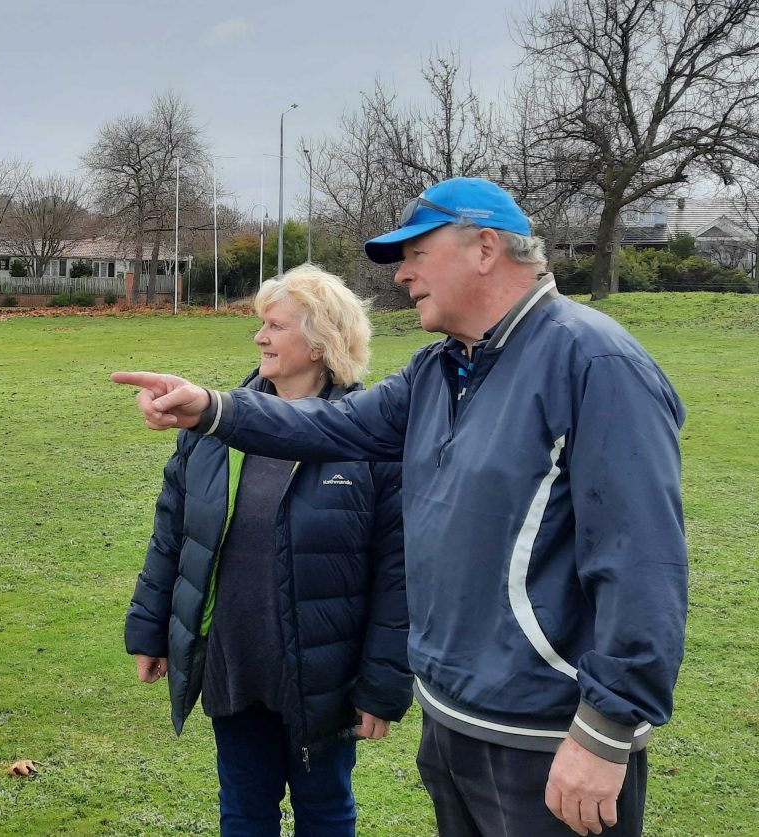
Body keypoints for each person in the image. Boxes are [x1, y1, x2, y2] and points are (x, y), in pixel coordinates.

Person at [112, 178, 687, 837]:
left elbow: (643, 564)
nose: (404, 274)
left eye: (416, 251)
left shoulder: (594, 361)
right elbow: (331, 428)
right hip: (454, 721)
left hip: (548, 736)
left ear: (486, 247)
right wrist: (213, 408)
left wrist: (606, 730)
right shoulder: (440, 369)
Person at [124, 265, 413, 836]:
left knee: (325, 811)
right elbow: (172, 537)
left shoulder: (373, 442)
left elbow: (399, 575)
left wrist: (382, 684)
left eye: (274, 326)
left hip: (322, 676)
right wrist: (149, 631)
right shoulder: (213, 428)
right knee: (244, 811)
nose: (259, 337)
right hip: (235, 664)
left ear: (320, 342)